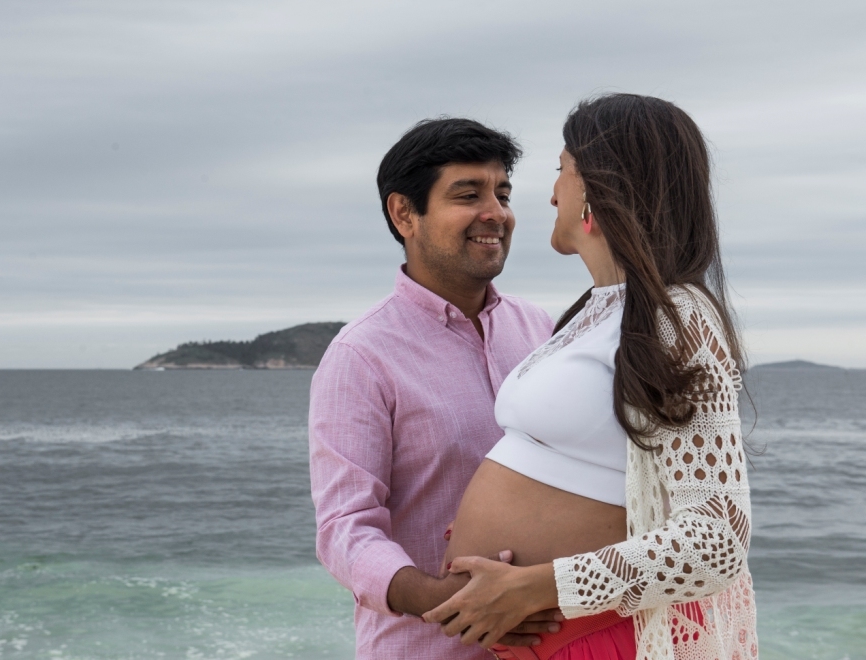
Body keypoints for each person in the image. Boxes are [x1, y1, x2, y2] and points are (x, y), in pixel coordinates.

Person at [421, 94, 758, 660]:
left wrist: (537, 583)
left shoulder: (677, 317)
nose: (552, 194)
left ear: (600, 190)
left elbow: (718, 539)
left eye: (562, 172)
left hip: (605, 637)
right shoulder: (596, 312)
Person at [309, 118, 557, 659]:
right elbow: (345, 527)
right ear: (405, 214)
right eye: (468, 195)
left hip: (556, 646)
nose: (496, 213)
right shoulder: (361, 356)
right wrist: (443, 600)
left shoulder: (544, 331)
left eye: (503, 193)